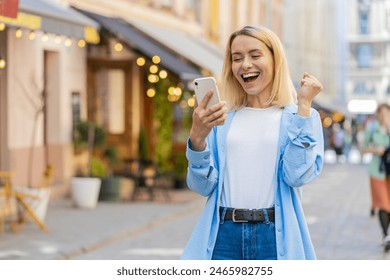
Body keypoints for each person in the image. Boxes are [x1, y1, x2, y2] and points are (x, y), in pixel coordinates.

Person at [181, 25, 324, 260]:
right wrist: (197, 140)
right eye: (237, 58)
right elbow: (202, 187)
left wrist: (304, 106)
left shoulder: (300, 118)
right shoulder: (222, 119)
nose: (245, 64)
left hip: (275, 238)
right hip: (223, 236)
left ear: (275, 60)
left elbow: (296, 176)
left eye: (255, 55)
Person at [361, 103, 390, 252]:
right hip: (377, 171)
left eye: (387, 113)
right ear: (378, 114)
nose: (385, 116)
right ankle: (386, 236)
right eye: (382, 113)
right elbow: (363, 148)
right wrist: (375, 149)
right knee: (383, 204)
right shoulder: (372, 128)